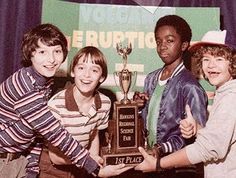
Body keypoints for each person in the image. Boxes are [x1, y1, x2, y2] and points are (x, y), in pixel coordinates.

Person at [0, 23, 131, 178]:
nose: (51, 59)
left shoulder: (44, 82)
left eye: (57, 51)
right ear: (31, 54)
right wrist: (95, 168)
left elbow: (36, 134)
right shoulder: (24, 86)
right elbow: (55, 133)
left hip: (19, 160)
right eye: (42, 52)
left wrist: (32, 169)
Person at [135, 30, 236, 178]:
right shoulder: (225, 92)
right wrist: (198, 128)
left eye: (220, 59)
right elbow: (217, 139)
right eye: (206, 59)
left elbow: (209, 149)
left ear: (233, 62)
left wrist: (158, 164)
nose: (211, 66)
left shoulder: (231, 97)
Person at [133, 15, 208, 178]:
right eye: (158, 41)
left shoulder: (190, 86)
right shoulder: (151, 78)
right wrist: (137, 108)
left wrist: (161, 148)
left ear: (184, 45)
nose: (162, 47)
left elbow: (199, 139)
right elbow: (149, 121)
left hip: (177, 168)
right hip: (149, 161)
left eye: (169, 40)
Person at [38, 46, 111, 178]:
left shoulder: (105, 103)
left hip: (80, 165)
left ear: (102, 77)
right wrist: (89, 162)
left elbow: (94, 132)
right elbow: (55, 157)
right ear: (73, 72)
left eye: (94, 70)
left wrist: (93, 157)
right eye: (81, 68)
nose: (87, 75)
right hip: (52, 168)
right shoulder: (56, 105)